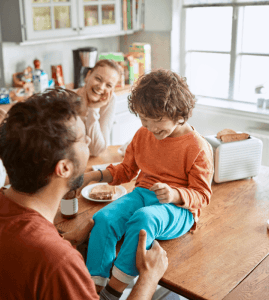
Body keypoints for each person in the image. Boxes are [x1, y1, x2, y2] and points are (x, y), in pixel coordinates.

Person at [0, 88, 168, 300]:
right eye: (82, 138)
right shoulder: (57, 262)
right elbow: (42, 257)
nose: (88, 140)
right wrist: (147, 279)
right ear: (64, 168)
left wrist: (64, 242)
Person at [82, 69, 214, 295]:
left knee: (145, 218)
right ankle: (94, 288)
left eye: (158, 120)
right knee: (103, 218)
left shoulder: (198, 147)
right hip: (142, 194)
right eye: (144, 119)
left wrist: (174, 194)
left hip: (178, 209)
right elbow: (126, 170)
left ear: (178, 112)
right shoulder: (143, 134)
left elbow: (202, 196)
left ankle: (113, 291)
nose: (151, 128)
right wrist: (91, 176)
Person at [75, 59, 121, 157]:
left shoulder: (110, 100)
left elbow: (97, 150)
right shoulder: (69, 97)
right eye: (98, 79)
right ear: (88, 76)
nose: (101, 87)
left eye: (108, 85)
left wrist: (93, 109)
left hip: (90, 162)